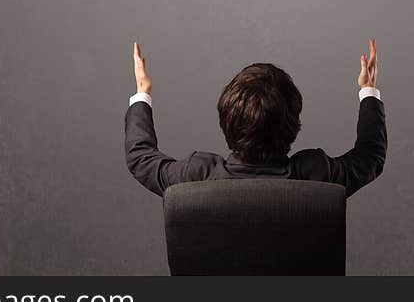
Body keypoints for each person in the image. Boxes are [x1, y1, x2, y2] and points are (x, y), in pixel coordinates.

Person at [124, 38, 386, 197]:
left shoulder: (196, 178)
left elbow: (140, 157)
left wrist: (142, 92)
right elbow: (370, 156)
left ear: (225, 121)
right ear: (293, 125)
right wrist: (368, 90)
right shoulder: (317, 175)